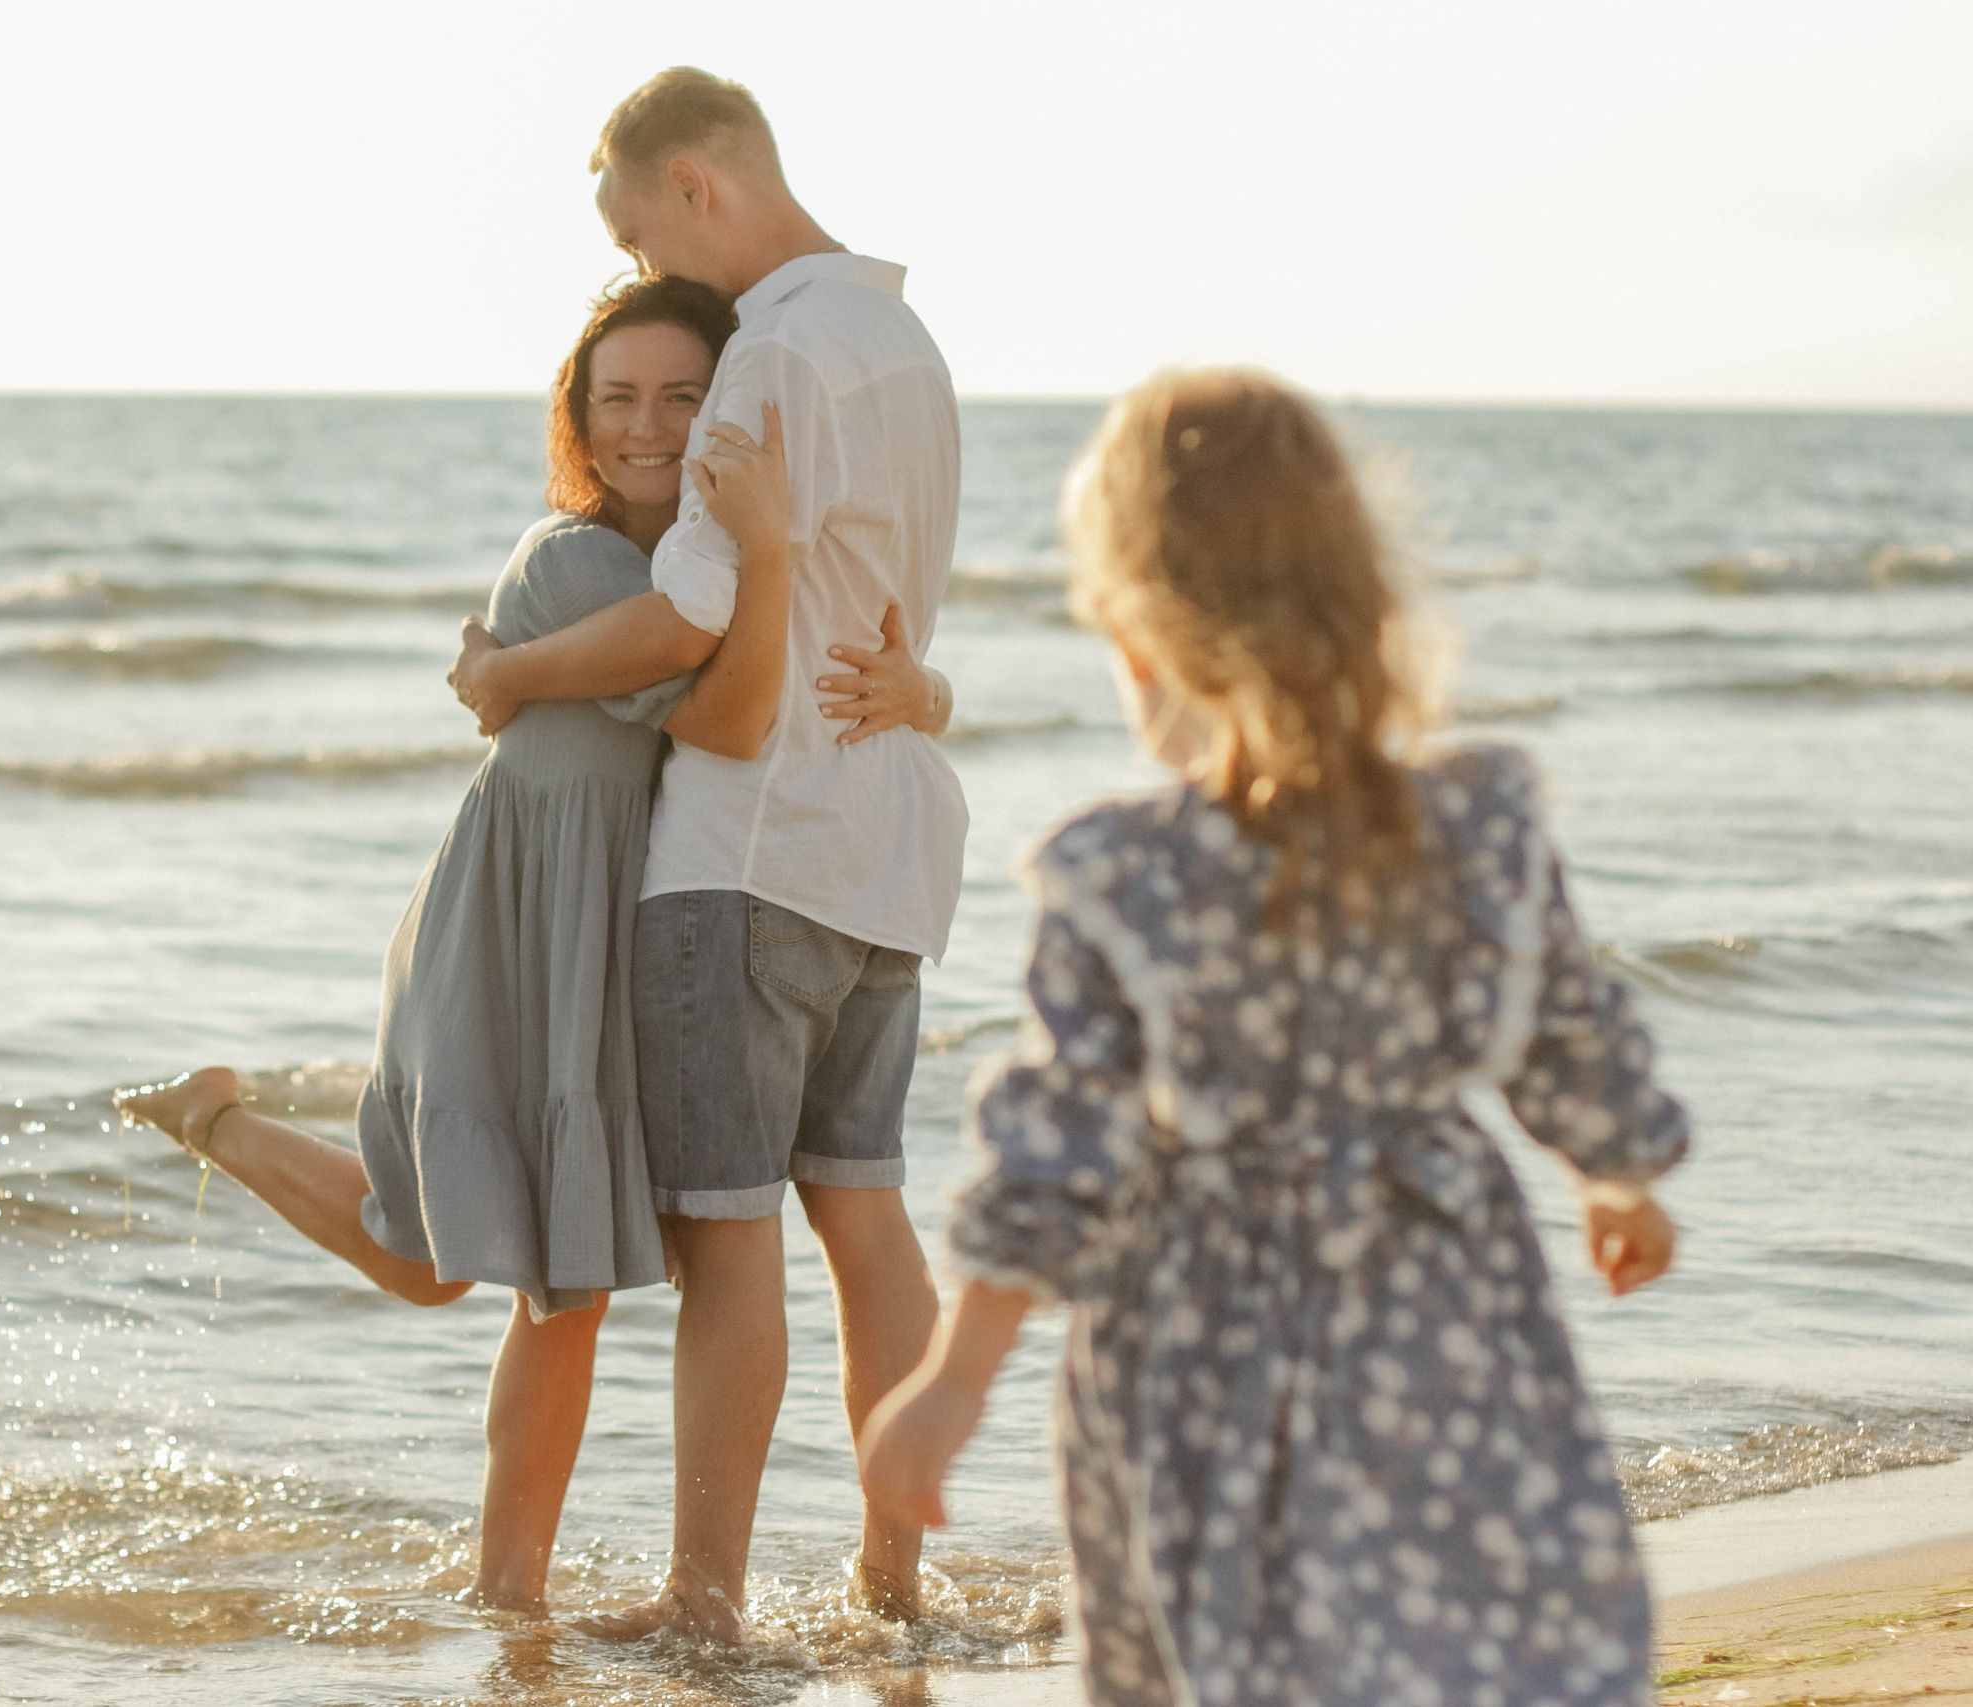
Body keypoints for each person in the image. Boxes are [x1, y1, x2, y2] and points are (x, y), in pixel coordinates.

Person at [116, 275, 951, 1615]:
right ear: (578, 417)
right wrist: (778, 576)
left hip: (617, 949)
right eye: (615, 397)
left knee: (553, 1283)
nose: (649, 426)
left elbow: (799, 680)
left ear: (728, 401)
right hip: (520, 944)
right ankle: (220, 1122)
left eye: (684, 394)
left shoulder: (702, 568)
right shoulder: (579, 568)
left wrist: (928, 688)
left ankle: (512, 1609)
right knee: (443, 1264)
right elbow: (741, 713)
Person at [859, 369, 1691, 1707]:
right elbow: (1567, 1029)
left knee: (1230, 1637)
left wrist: (956, 1380)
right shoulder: (1474, 825)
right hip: (1442, 1310)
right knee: (1477, 1617)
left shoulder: (1126, 877)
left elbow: (1057, 1145)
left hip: (1200, 1330)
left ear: (1138, 638)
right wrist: (1618, 1176)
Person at [448, 67, 968, 1640]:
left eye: (633, 220)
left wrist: (507, 673)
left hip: (743, 856)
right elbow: (890, 602)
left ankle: (705, 1598)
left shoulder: (768, 359)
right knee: (866, 1219)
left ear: (694, 184)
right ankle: (891, 1584)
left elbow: (690, 618)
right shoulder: (908, 346)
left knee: (730, 1245)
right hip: (884, 850)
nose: (647, 259)